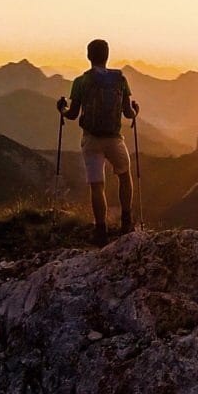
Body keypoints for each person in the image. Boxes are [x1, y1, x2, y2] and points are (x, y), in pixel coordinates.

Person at [57, 39, 139, 245]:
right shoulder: (120, 79)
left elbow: (73, 114)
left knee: (97, 186)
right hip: (114, 139)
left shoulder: (81, 81)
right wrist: (136, 111)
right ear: (107, 55)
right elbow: (128, 113)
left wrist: (62, 110)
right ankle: (126, 221)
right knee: (124, 175)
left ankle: (100, 230)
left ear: (88, 56)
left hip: (91, 139)